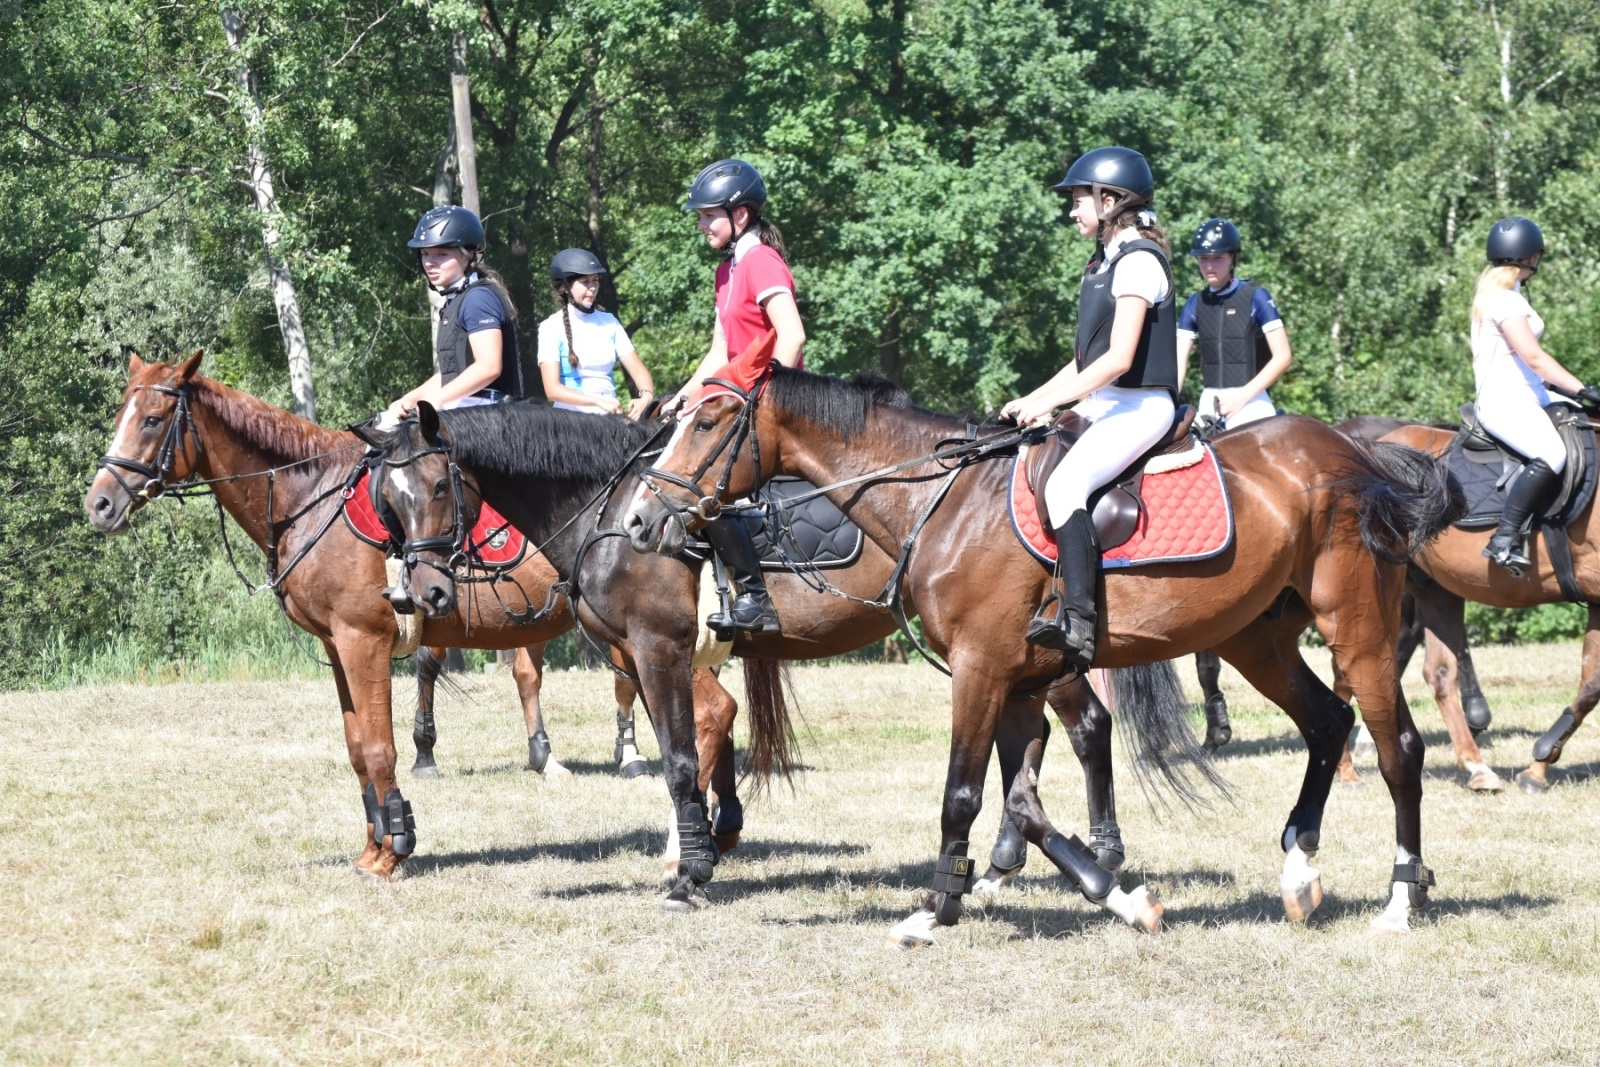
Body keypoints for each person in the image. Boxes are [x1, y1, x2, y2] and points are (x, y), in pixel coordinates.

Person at [1001, 146, 1179, 669]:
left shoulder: (1139, 261)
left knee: (1064, 485)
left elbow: (1120, 360)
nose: (1072, 210)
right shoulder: (1104, 261)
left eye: (1079, 199)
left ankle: (1079, 621)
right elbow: (1085, 360)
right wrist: (1032, 400)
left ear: (1110, 199)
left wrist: (1055, 399)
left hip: (1140, 407)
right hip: (1105, 403)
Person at [667, 158, 806, 637]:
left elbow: (792, 337)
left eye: (709, 215)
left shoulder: (762, 261)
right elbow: (719, 352)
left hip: (772, 411)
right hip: (735, 402)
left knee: (711, 481)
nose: (702, 224)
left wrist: (770, 401)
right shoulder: (727, 272)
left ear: (740, 215)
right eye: (701, 216)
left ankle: (754, 596)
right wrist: (682, 398)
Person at [1471, 216, 1600, 573]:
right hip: (1505, 403)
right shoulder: (1505, 302)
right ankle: (1503, 539)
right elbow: (1535, 358)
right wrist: (1585, 389)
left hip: (1530, 395)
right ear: (1529, 257)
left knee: (1587, 425)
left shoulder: (1504, 295)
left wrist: (1572, 394)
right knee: (1552, 454)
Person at [385, 205, 524, 424]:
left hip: (491, 418)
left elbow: (489, 366)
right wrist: (412, 398)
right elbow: (453, 373)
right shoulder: (456, 300)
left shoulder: (478, 299)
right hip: (469, 412)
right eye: (425, 254)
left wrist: (438, 399)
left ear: (468, 256)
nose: (430, 262)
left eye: (441, 254)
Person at [1175, 218, 1292, 428]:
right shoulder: (1193, 304)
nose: (1209, 266)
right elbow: (1178, 364)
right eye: (1203, 258)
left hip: (1252, 401)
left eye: (1217, 258)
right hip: (1209, 402)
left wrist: (1242, 396)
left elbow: (1283, 356)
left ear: (1233, 258)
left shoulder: (1256, 297)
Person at [538, 248, 654, 417]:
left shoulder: (609, 322)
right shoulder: (550, 327)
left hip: (609, 417)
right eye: (585, 281)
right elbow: (552, 389)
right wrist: (597, 401)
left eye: (595, 280)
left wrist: (646, 396)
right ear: (564, 287)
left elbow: (637, 370)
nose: (593, 287)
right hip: (570, 420)